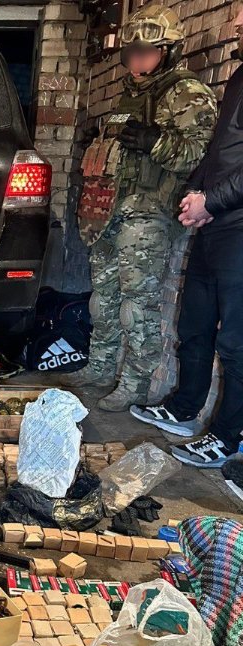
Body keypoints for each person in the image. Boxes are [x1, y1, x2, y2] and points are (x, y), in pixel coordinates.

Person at [72, 3, 217, 412]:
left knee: (137, 306)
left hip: (148, 214)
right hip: (109, 213)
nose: (136, 61)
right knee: (104, 298)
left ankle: (134, 383)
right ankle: (100, 367)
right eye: (131, 53)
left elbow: (199, 156)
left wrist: (156, 141)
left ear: (169, 52)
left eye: (146, 52)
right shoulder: (131, 93)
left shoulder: (187, 93)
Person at [131, 6, 243, 468]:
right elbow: (218, 151)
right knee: (194, 325)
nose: (237, 23)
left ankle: (226, 439)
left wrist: (211, 201)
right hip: (215, 224)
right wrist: (196, 192)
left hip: (238, 229)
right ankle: (183, 409)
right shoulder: (239, 78)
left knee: (236, 345)